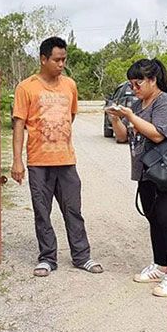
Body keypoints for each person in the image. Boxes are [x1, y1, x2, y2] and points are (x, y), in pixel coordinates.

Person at [11, 36, 103, 277]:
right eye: (57, 60)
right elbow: (19, 125)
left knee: (73, 211)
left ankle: (82, 256)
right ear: (43, 59)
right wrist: (17, 160)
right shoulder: (26, 87)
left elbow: (70, 116)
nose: (61, 64)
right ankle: (47, 258)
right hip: (39, 162)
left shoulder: (69, 85)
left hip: (66, 161)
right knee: (42, 212)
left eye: (64, 59)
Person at [107, 59, 167, 297]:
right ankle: (160, 265)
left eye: (138, 83)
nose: (134, 88)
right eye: (131, 84)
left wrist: (131, 116)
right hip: (145, 171)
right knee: (153, 218)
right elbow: (122, 136)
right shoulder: (138, 104)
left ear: (153, 80)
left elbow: (158, 134)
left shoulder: (166, 103)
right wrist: (115, 119)